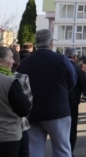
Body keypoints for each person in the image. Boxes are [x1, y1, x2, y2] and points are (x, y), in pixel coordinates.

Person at [16, 29, 77, 157]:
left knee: (34, 150)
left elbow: (20, 85)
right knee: (62, 149)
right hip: (58, 111)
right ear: (51, 42)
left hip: (33, 112)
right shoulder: (62, 60)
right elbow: (72, 82)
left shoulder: (25, 63)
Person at [65, 47, 86, 154]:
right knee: (71, 128)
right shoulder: (76, 68)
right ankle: (69, 152)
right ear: (75, 57)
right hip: (72, 101)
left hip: (60, 101)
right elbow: (84, 83)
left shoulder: (59, 66)